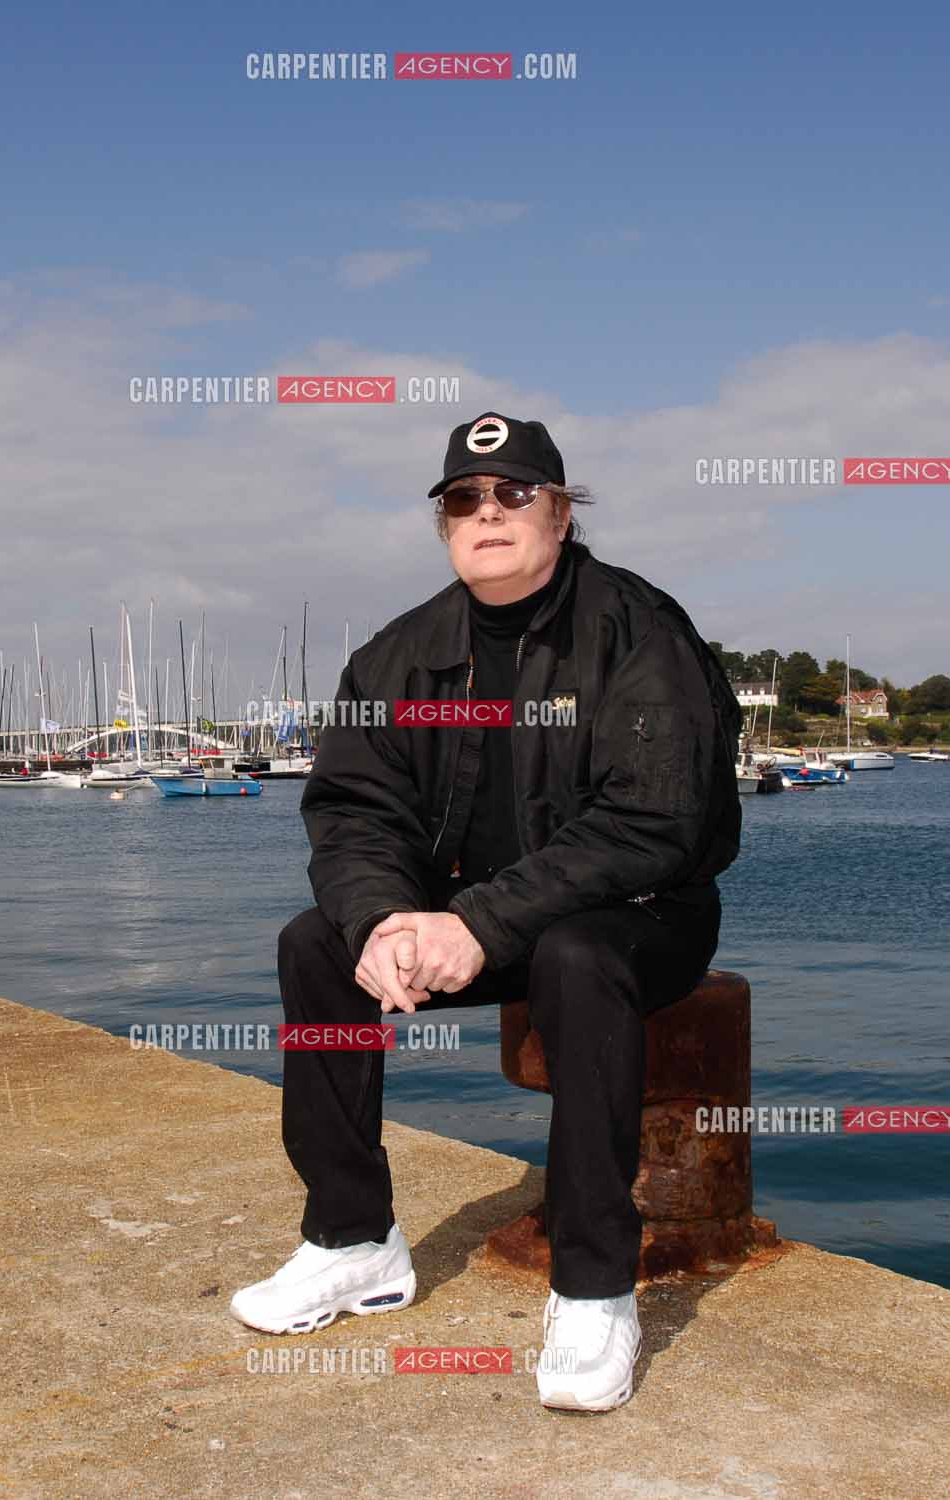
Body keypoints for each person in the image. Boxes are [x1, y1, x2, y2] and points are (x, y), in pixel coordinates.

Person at [231, 411, 741, 1411]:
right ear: (443, 525)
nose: (487, 512)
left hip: (641, 911)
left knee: (576, 956)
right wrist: (383, 919)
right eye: (463, 498)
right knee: (316, 944)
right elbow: (352, 813)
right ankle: (352, 1239)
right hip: (474, 918)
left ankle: (595, 1288)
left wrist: (476, 924)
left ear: (558, 512)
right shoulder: (398, 659)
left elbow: (656, 822)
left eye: (514, 493)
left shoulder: (638, 633)